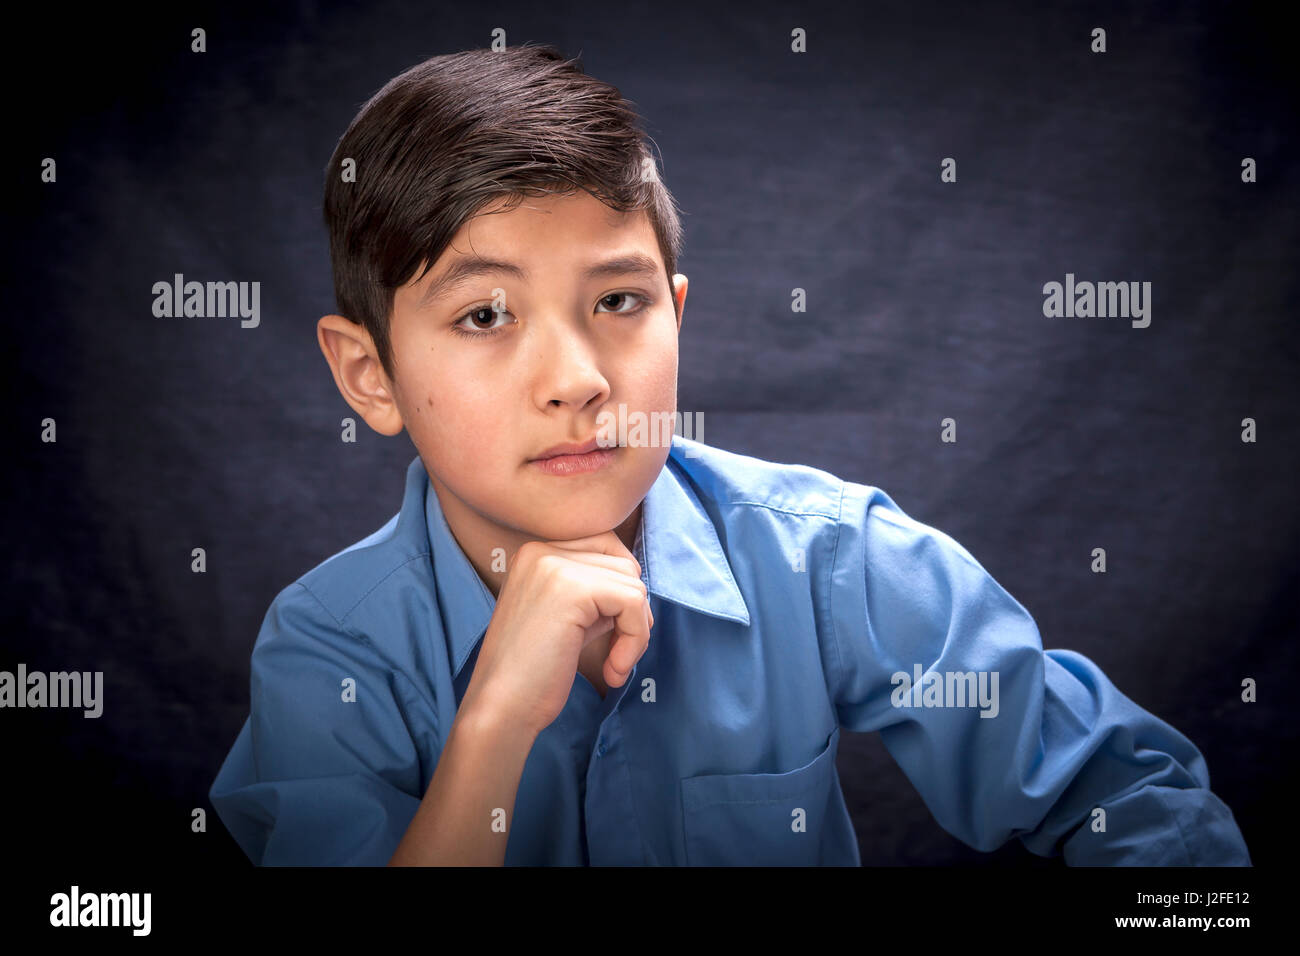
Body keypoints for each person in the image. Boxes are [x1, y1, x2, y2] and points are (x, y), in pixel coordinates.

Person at [209, 43, 1250, 866]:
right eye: (485, 313)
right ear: (369, 376)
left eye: (617, 301)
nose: (577, 379)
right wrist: (493, 721)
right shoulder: (327, 649)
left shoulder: (824, 558)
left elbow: (1132, 797)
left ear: (676, 313)